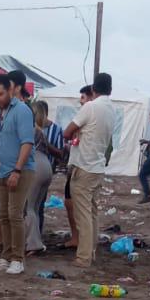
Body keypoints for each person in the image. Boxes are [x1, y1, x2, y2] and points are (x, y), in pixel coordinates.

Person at [63, 70, 117, 268]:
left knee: (83, 213)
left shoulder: (90, 107)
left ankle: (84, 256)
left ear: (93, 89)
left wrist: (77, 132)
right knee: (92, 212)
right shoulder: (112, 109)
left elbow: (67, 132)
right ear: (110, 89)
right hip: (98, 166)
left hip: (84, 165)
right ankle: (90, 252)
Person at [0, 72, 35, 275]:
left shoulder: (22, 110)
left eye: (0, 94)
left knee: (15, 215)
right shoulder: (0, 115)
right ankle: (6, 256)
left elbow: (27, 142)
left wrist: (17, 170)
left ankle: (18, 258)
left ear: (10, 90)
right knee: (4, 215)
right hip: (3, 171)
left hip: (21, 170)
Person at [62, 86, 93, 247]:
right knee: (71, 202)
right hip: (79, 162)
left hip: (80, 165)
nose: (80, 101)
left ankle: (81, 242)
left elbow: (67, 132)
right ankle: (79, 239)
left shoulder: (88, 112)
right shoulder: (95, 115)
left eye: (82, 97)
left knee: (77, 205)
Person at [23, 103, 55, 254]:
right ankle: (35, 241)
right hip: (46, 165)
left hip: (34, 165)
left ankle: (33, 244)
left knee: (28, 207)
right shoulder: (40, 131)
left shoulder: (28, 129)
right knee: (35, 207)